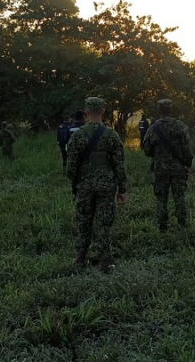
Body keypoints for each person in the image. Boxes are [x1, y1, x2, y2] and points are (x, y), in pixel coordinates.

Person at [65, 97, 127, 273]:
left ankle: (80, 258)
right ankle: (105, 261)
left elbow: (71, 167)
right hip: (107, 186)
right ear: (103, 111)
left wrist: (77, 181)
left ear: (86, 112)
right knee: (104, 222)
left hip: (85, 186)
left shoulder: (77, 136)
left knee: (84, 221)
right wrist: (122, 189)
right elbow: (119, 165)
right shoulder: (112, 136)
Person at [142, 99, 194, 232]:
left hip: (160, 168)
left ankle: (163, 228)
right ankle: (182, 226)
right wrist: (188, 165)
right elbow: (187, 150)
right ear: (171, 110)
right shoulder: (180, 126)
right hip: (178, 167)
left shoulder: (153, 128)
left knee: (161, 198)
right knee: (179, 197)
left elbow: (147, 150)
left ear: (159, 110)